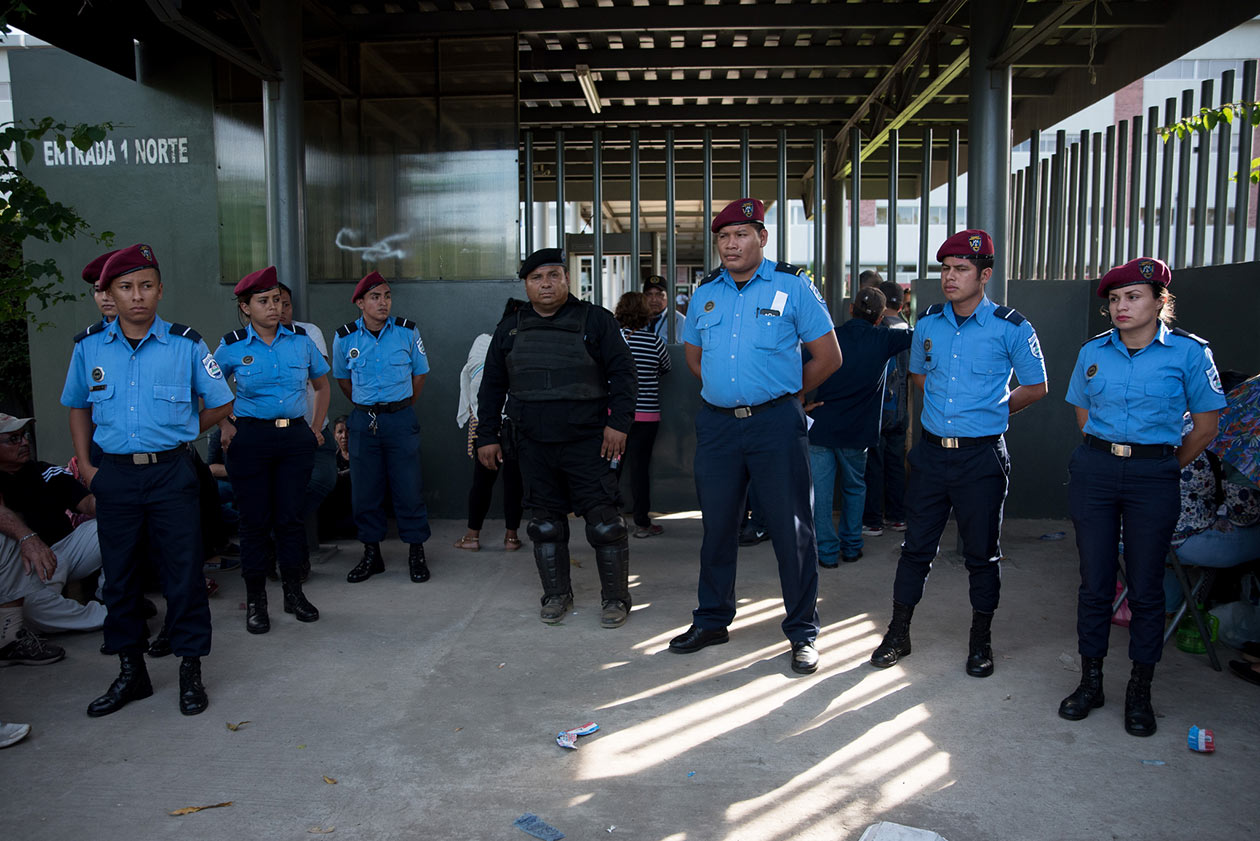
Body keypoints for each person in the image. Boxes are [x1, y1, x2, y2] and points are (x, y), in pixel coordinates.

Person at [61, 243, 234, 717]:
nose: (136, 296)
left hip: (171, 473)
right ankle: (131, 672)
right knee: (119, 578)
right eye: (125, 287)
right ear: (110, 294)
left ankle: (190, 669)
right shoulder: (89, 345)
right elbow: (77, 405)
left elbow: (220, 400)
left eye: (145, 286)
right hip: (113, 475)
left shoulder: (187, 344)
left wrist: (183, 430)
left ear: (159, 290)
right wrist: (87, 466)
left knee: (183, 575)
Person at [670, 197, 842, 675]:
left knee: (792, 530)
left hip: (775, 424)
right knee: (718, 526)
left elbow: (828, 357)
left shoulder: (794, 287)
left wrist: (784, 396)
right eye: (723, 236)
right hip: (719, 425)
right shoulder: (706, 292)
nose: (731, 244)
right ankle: (712, 619)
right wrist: (731, 393)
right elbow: (695, 359)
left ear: (761, 238)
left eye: (741, 234)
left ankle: (803, 632)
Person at [1057, 257, 1225, 736]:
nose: (1121, 307)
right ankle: (1091, 683)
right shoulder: (1094, 351)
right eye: (1114, 299)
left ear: (1159, 302)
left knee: (1148, 587)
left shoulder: (1189, 354)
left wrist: (1164, 465)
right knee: (1095, 581)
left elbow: (1207, 425)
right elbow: (1083, 413)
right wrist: (1106, 456)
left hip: (1155, 473)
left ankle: (1139, 691)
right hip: (1096, 470)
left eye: (1133, 297)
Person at [869, 229, 1048, 678]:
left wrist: (993, 411)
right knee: (914, 549)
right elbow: (919, 376)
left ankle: (980, 641)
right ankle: (898, 633)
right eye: (945, 269)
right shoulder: (927, 321)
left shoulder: (1012, 326)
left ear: (984, 275)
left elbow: (1037, 386)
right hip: (931, 455)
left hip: (981, 457)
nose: (949, 277)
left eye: (961, 269)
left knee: (982, 556)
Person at [476, 248, 637, 628]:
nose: (545, 284)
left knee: (605, 524)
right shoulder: (511, 327)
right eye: (536, 278)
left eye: (553, 275)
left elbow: (624, 376)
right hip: (532, 443)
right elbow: (492, 386)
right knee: (545, 524)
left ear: (567, 279)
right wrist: (487, 435)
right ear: (526, 284)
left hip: (588, 441)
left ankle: (616, 599)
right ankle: (556, 595)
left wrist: (620, 424)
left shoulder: (596, 321)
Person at [214, 267, 330, 634]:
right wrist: (225, 424)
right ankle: (257, 602)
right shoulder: (232, 345)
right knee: (253, 523)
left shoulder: (300, 340)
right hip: (251, 440)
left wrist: (314, 428)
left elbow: (322, 386)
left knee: (290, 519)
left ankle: (294, 593)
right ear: (245, 307)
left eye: (277, 301)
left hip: (294, 438)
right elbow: (210, 388)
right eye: (263, 301)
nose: (274, 308)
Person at [332, 270, 433, 584]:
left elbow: (419, 376)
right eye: (375, 297)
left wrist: (398, 406)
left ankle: (416, 551)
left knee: (408, 487)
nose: (383, 303)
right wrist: (370, 406)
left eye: (387, 296)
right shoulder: (345, 337)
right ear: (360, 302)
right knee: (365, 491)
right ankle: (371, 554)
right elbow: (343, 381)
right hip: (363, 421)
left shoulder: (407, 332)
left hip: (400, 418)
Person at [806, 287, 913, 566]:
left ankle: (827, 553)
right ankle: (852, 547)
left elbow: (799, 370)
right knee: (855, 488)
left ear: (851, 308)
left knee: (822, 493)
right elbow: (919, 335)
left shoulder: (828, 338)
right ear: (880, 317)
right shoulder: (885, 339)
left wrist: (801, 403)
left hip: (822, 426)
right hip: (858, 432)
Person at [0, 413, 106, 638]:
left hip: (66, 550)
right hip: (26, 569)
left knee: (115, 525)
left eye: (24, 435)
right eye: (14, 439)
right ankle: (108, 615)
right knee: (27, 609)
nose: (25, 442)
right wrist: (28, 538)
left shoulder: (43, 471)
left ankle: (113, 596)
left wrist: (116, 503)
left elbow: (87, 503)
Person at [454, 304, 523, 552]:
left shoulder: (483, 343)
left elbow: (472, 380)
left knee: (481, 482)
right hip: (513, 425)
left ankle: (472, 537)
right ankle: (511, 538)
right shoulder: (526, 345)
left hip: (486, 423)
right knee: (514, 483)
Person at [279, 283, 338, 565]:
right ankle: (289, 545)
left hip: (313, 427)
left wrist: (315, 428)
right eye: (271, 302)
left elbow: (318, 381)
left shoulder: (308, 332)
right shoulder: (241, 342)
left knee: (324, 477)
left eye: (285, 304)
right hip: (276, 432)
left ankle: (281, 528)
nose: (279, 309)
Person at [614, 291, 672, 538]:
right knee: (639, 469)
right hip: (646, 417)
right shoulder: (654, 341)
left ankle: (609, 520)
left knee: (612, 468)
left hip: (616, 418)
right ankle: (642, 523)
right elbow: (666, 367)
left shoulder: (613, 341)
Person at [863, 280, 913, 535]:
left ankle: (872, 520)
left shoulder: (877, 330)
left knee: (873, 465)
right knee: (896, 465)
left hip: (877, 410)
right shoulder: (910, 331)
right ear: (902, 304)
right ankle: (897, 516)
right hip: (901, 411)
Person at [644, 276, 685, 343]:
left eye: (659, 295)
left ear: (668, 297)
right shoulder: (637, 319)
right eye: (649, 294)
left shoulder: (680, 321)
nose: (654, 300)